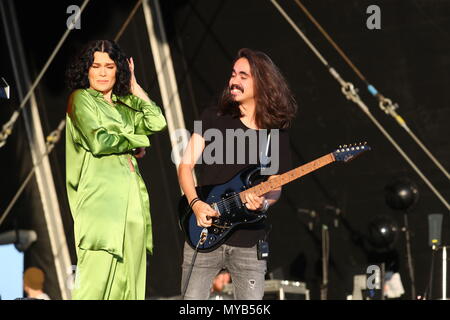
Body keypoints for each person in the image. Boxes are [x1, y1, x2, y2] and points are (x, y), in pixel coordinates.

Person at [178, 48, 297, 299]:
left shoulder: (274, 133)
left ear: (262, 82)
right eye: (233, 74)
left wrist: (264, 203)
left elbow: (275, 185)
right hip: (203, 231)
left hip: (248, 241)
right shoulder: (212, 117)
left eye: (243, 75)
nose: (234, 81)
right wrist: (196, 204)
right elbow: (185, 166)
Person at [65, 40, 167, 300]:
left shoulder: (124, 105)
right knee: (94, 287)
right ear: (86, 70)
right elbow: (98, 141)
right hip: (100, 207)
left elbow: (157, 121)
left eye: (109, 66)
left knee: (131, 287)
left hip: (133, 205)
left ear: (118, 70)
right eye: (95, 66)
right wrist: (135, 142)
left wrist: (135, 87)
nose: (101, 72)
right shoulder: (81, 100)